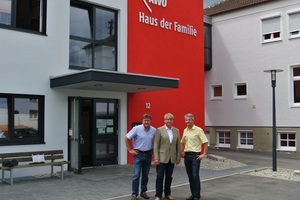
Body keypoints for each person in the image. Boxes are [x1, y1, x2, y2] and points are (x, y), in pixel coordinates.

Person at [124, 113, 156, 200]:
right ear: (142, 121)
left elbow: (157, 141)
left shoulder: (154, 130)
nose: (146, 122)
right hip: (138, 154)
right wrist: (130, 150)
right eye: (145, 120)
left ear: (150, 121)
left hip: (148, 155)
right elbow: (126, 138)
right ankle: (134, 194)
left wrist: (154, 151)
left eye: (148, 120)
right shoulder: (136, 129)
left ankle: (143, 192)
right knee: (136, 175)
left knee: (145, 175)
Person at [153, 113, 181, 200]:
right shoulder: (159, 130)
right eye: (167, 119)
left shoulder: (176, 130)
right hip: (161, 158)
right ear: (164, 120)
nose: (169, 121)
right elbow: (156, 145)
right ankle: (158, 195)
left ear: (173, 120)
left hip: (171, 158)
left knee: (169, 177)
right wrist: (156, 157)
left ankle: (168, 194)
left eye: (170, 119)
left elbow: (178, 145)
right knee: (159, 177)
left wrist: (178, 157)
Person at [181, 113, 208, 200]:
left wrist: (203, 154)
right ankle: (193, 194)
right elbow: (182, 142)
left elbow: (205, 142)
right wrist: (182, 151)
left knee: (195, 175)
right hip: (187, 156)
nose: (188, 121)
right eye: (186, 120)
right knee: (190, 176)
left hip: (195, 156)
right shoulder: (185, 130)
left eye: (189, 120)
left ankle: (197, 195)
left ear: (193, 120)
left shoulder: (198, 130)